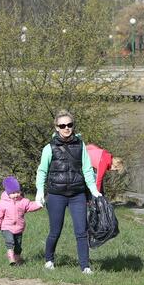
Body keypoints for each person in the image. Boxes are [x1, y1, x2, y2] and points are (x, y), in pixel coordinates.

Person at [35, 110, 102, 274]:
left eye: (69, 125)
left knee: (81, 232)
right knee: (55, 231)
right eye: (62, 125)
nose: (66, 128)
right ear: (56, 128)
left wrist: (94, 191)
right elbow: (42, 171)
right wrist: (39, 192)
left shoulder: (81, 145)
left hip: (77, 195)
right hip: (56, 195)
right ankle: (49, 259)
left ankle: (85, 266)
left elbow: (87, 170)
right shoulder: (49, 148)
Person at [0, 176, 43, 265]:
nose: (16, 195)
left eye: (18, 192)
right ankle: (11, 259)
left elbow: (30, 206)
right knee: (10, 241)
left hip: (19, 228)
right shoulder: (2, 203)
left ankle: (17, 258)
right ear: (8, 193)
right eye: (13, 193)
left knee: (18, 246)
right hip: (6, 227)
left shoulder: (23, 201)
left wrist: (39, 204)